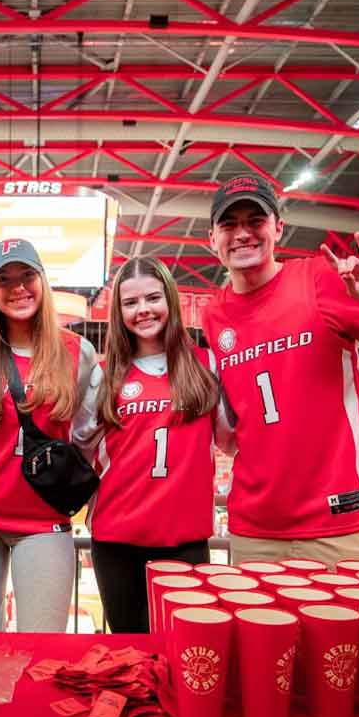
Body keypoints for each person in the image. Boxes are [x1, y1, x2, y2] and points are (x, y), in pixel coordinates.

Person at [201, 174, 359, 567]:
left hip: (338, 524)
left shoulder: (321, 279)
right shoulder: (213, 315)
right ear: (211, 238)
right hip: (254, 530)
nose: (242, 234)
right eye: (229, 224)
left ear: (277, 228)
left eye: (255, 221)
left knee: (342, 631)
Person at [0, 238, 99, 632]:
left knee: (44, 644)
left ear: (42, 281)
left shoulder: (78, 352)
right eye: (4, 279)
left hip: (44, 520)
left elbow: (86, 438)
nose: (18, 288)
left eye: (27, 275)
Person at [84, 256, 233, 633]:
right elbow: (83, 447)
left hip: (186, 540)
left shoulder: (205, 365)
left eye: (153, 298)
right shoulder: (104, 376)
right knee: (130, 653)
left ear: (170, 300)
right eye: (130, 303)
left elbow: (230, 441)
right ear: (118, 312)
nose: (143, 310)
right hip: (117, 540)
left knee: (188, 650)